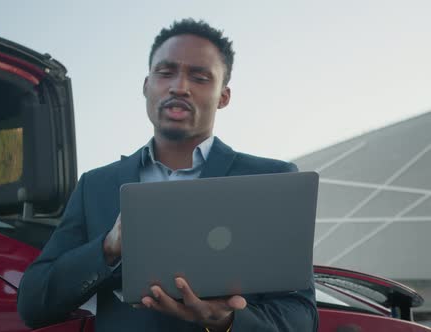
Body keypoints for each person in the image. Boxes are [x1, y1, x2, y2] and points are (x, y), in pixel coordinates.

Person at [17, 19, 318, 332]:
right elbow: (32, 305)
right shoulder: (96, 186)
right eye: (166, 72)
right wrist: (107, 248)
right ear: (147, 85)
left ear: (223, 97)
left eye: (200, 77)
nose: (180, 87)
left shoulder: (271, 181)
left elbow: (302, 318)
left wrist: (226, 321)